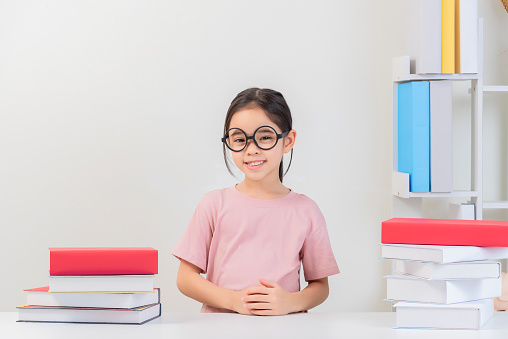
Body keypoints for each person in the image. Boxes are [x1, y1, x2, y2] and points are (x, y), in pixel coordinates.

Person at [172, 88, 339, 315]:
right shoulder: (213, 204)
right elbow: (185, 278)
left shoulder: (306, 210)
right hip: (219, 331)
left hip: (285, 330)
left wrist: (290, 302)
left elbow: (320, 286)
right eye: (240, 139)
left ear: (288, 141)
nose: (251, 150)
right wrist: (233, 300)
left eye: (265, 137)